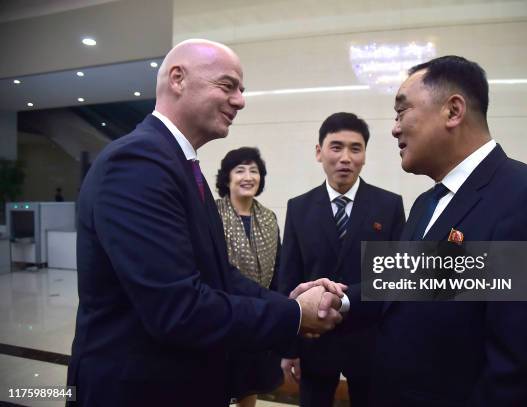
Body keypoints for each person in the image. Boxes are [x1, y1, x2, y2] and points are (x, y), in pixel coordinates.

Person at [66, 39, 345, 407]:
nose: (240, 101)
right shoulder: (137, 163)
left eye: (241, 90)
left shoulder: (181, 166)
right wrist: (294, 315)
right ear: (178, 79)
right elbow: (178, 309)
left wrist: (288, 302)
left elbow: (220, 276)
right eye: (228, 86)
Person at [344, 55, 527, 406]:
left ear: (453, 111)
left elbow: (520, 374)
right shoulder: (426, 203)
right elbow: (408, 287)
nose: (394, 129)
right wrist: (342, 298)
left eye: (401, 111)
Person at [278, 112, 405, 407]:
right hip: (315, 342)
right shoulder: (299, 208)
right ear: (319, 152)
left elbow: (396, 278)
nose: (345, 157)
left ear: (364, 155)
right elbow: (290, 278)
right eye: (336, 147)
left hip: (370, 342)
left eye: (355, 148)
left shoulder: (389, 206)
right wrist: (289, 347)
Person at [215, 147, 283, 407]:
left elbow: (277, 268)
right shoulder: (211, 213)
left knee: (250, 384)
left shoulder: (268, 217)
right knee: (217, 383)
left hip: (259, 318)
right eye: (240, 170)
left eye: (254, 171)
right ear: (227, 178)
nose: (248, 176)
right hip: (222, 316)